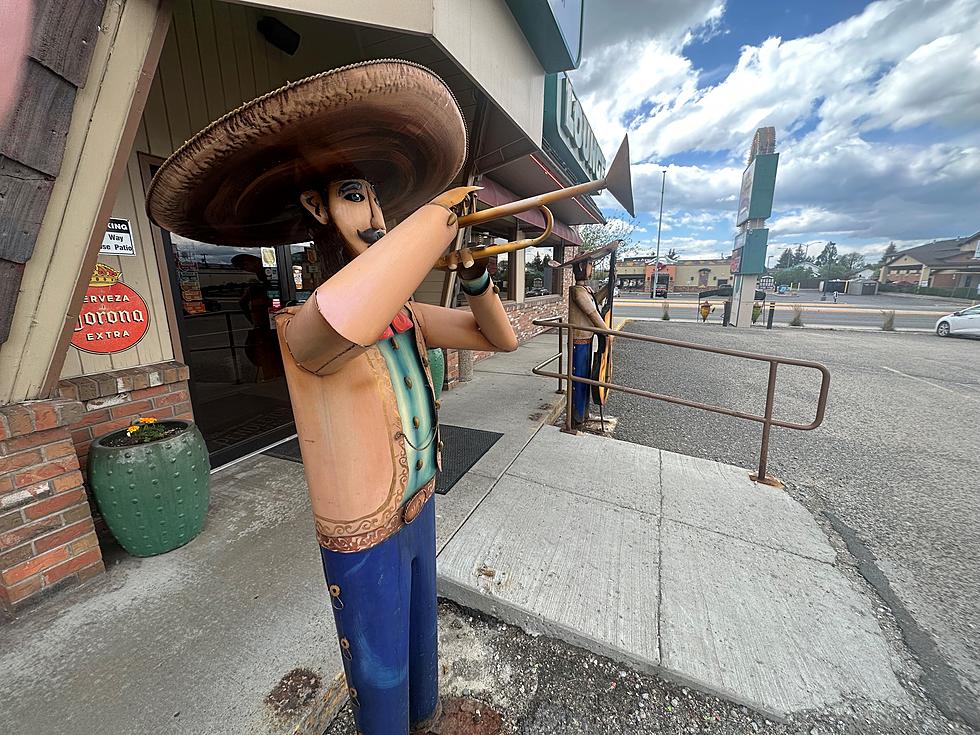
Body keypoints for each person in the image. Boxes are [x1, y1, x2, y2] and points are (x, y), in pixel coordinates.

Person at [146, 60, 518, 735]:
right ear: (319, 210)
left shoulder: (401, 306)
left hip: (420, 499)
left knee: (421, 647)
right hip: (362, 531)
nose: (374, 212)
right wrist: (438, 220)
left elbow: (498, 338)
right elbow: (349, 315)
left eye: (376, 196)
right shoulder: (307, 322)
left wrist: (479, 278)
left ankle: (429, 717)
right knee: (379, 677)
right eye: (353, 195)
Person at [552, 241, 619, 427]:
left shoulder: (585, 290)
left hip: (587, 339)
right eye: (590, 265)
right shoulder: (577, 291)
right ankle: (576, 417)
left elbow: (595, 302)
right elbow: (591, 312)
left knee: (586, 378)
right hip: (579, 341)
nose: (591, 269)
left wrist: (609, 286)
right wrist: (606, 331)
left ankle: (583, 414)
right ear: (581, 267)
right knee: (579, 380)